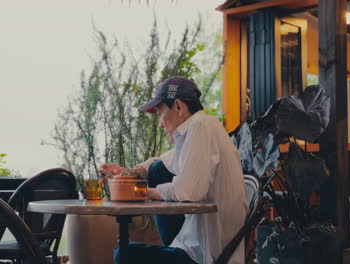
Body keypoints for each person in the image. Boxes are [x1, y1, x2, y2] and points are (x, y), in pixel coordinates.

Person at [100, 76, 248, 264]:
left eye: (160, 113)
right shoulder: (198, 130)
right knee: (156, 169)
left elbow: (188, 192)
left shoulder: (201, 126)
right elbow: (161, 162)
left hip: (206, 256)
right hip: (192, 246)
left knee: (124, 254)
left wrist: (143, 192)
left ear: (178, 106)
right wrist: (130, 173)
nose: (160, 124)